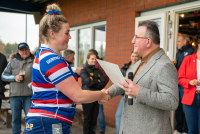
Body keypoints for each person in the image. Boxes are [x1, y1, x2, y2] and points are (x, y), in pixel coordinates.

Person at [23, 3, 109, 134]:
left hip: (48, 121)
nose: (70, 37)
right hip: (49, 122)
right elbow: (78, 96)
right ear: (52, 34)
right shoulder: (52, 60)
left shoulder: (44, 55)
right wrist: (102, 94)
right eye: (67, 33)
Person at [100, 21, 179, 134]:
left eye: (136, 37)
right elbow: (125, 82)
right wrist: (108, 93)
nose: (132, 41)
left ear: (148, 41)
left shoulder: (165, 65)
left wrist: (139, 92)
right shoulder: (138, 62)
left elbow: (172, 101)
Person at [1, 42, 34, 134]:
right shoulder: (12, 62)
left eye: (26, 50)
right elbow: (3, 76)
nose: (24, 52)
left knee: (30, 118)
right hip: (14, 96)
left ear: (29, 50)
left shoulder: (34, 61)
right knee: (15, 119)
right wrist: (14, 77)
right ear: (18, 51)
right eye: (22, 50)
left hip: (29, 95)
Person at [178, 35, 200, 134]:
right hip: (191, 99)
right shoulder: (188, 59)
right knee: (192, 130)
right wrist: (189, 82)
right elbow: (180, 78)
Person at [80, 52, 107, 134]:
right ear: (87, 59)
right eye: (92, 58)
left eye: (95, 59)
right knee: (87, 119)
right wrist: (97, 81)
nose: (94, 60)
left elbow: (103, 82)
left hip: (96, 97)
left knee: (94, 119)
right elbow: (88, 83)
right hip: (87, 97)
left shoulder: (98, 71)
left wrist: (93, 81)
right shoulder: (83, 70)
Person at [115, 51, 139, 134]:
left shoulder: (141, 67)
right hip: (125, 95)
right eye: (133, 56)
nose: (134, 58)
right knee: (118, 116)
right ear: (130, 56)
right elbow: (119, 80)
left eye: (136, 56)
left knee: (133, 118)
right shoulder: (125, 68)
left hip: (136, 95)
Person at [174, 34, 194, 134]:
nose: (176, 43)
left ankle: (185, 130)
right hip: (178, 84)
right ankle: (178, 129)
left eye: (178, 41)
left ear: (184, 42)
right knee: (178, 108)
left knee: (186, 109)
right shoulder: (178, 53)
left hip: (186, 85)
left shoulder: (191, 52)